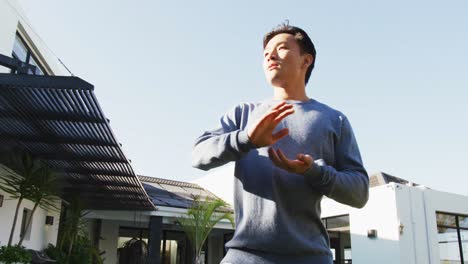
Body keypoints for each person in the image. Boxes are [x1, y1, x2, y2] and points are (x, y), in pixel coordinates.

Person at [191, 22, 369, 264]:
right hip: (244, 256)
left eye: (281, 48)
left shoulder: (334, 120)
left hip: (311, 258)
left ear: (306, 61)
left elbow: (359, 193)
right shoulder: (243, 113)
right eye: (265, 54)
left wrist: (314, 172)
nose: (270, 56)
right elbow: (198, 155)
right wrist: (246, 139)